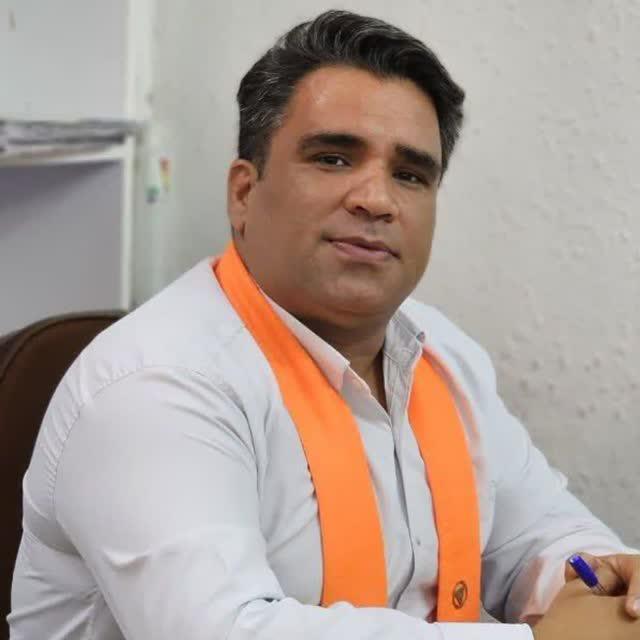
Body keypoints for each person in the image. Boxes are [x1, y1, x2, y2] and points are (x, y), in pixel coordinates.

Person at [8, 10, 640, 640]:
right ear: (243, 193)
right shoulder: (157, 383)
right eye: (334, 159)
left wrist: (607, 581)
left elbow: (542, 533)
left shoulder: (441, 353)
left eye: (410, 175)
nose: (376, 199)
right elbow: (225, 632)